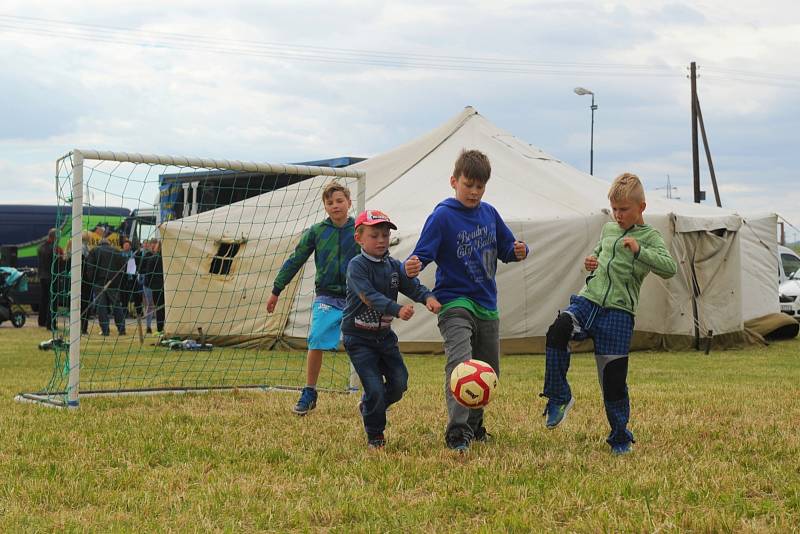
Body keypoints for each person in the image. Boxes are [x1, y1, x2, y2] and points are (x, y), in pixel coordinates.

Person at [540, 172, 677, 455]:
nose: (618, 215)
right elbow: (599, 255)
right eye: (614, 209)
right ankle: (559, 395)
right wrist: (591, 261)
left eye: (624, 209)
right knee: (558, 329)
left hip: (618, 312)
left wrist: (640, 252)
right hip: (588, 302)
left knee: (613, 381)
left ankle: (620, 437)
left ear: (642, 207)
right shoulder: (608, 230)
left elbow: (669, 268)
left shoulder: (650, 237)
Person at [405, 149, 529, 453]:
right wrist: (414, 264)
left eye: (480, 186)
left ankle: (475, 427)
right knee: (461, 365)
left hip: (487, 304)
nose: (474, 192)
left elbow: (507, 248)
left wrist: (520, 250)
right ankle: (457, 432)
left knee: (488, 370)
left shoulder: (489, 213)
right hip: (454, 303)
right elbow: (422, 254)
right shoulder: (443, 216)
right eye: (468, 184)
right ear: (453, 181)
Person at [342, 210, 441, 449]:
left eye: (385, 235)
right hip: (358, 339)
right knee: (374, 387)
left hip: (384, 338)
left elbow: (412, 286)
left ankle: (370, 407)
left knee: (399, 383)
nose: (381, 240)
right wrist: (397, 309)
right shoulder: (357, 266)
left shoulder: (393, 266)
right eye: (374, 235)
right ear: (359, 238)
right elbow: (369, 296)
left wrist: (428, 298)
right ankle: (375, 435)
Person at [266, 182, 360, 416]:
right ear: (325, 207)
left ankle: (371, 392)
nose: (335, 205)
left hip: (356, 296)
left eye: (339, 201)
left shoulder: (360, 230)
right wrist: (277, 289)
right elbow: (295, 260)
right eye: (330, 202)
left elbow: (377, 255)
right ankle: (309, 391)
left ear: (349, 202)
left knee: (362, 343)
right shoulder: (317, 232)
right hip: (327, 296)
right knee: (316, 338)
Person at [85, 237, 127, 336]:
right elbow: (123, 267)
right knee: (116, 305)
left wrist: (93, 280)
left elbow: (90, 267)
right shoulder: (117, 251)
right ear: (108, 243)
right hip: (114, 282)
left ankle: (105, 330)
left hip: (99, 282)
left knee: (102, 307)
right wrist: (118, 281)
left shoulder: (94, 251)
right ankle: (122, 329)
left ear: (99, 243)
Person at [139, 238, 164, 334]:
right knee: (151, 305)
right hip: (150, 284)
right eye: (151, 244)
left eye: (155, 244)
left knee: (157, 306)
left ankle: (159, 327)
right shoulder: (147, 256)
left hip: (154, 284)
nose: (153, 246)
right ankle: (149, 326)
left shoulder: (157, 257)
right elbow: (141, 269)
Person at [37, 228, 58, 329]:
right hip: (51, 277)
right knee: (52, 300)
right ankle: (51, 324)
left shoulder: (40, 247)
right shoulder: (55, 248)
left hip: (42, 276)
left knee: (43, 299)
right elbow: (59, 262)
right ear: (55, 237)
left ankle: (41, 321)